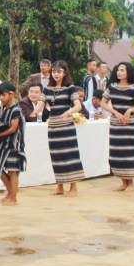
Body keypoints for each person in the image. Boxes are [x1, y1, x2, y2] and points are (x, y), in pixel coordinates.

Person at [101, 62, 134, 193]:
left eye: (122, 70)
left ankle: (130, 182)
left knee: (128, 152)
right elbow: (104, 103)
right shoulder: (112, 87)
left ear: (128, 73)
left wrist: (131, 110)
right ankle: (122, 181)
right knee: (117, 153)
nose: (119, 72)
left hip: (128, 124)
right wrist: (114, 112)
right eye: (118, 70)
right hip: (115, 124)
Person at [41, 60, 83, 197]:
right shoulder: (47, 89)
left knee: (69, 155)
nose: (56, 74)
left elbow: (78, 106)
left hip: (66, 128)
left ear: (64, 73)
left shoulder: (70, 88)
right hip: (53, 127)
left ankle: (73, 187)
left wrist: (68, 112)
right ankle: (59, 186)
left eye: (59, 71)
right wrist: (35, 111)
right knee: (56, 156)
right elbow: (41, 102)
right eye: (54, 71)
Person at [0, 82, 26, 206]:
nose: (1, 98)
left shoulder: (16, 110)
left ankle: (14, 198)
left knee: (13, 172)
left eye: (3, 95)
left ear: (12, 94)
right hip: (4, 144)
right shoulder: (3, 108)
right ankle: (10, 193)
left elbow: (13, 128)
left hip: (13, 145)